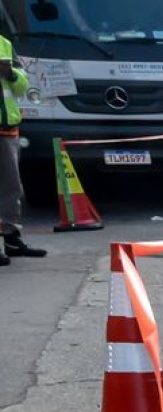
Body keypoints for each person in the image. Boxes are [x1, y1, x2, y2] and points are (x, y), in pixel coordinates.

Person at [0, 33, 45, 267]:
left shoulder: (4, 43)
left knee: (12, 188)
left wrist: (9, 73)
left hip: (7, 130)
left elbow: (22, 85)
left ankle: (11, 238)